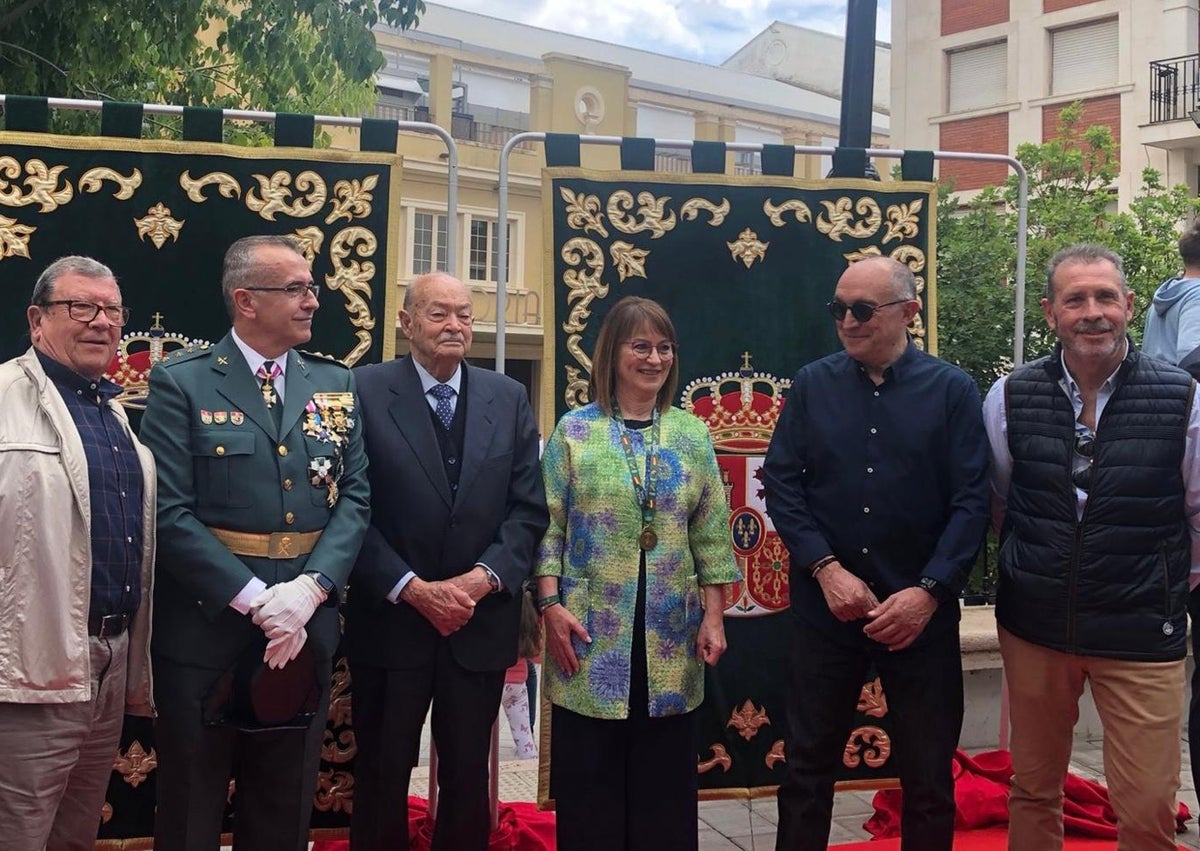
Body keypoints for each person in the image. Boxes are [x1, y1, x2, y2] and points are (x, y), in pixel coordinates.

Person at [139, 235, 370, 851]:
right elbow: (168, 511)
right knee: (191, 806)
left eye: (312, 288)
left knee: (284, 806)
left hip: (305, 626)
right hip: (207, 627)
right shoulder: (181, 384)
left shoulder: (334, 380)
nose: (312, 301)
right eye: (295, 289)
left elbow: (355, 498)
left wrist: (311, 590)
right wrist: (255, 599)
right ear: (246, 300)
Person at [762, 256, 990, 851]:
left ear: (908, 312)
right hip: (826, 612)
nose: (848, 321)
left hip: (920, 616)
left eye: (862, 309)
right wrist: (826, 569)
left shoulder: (953, 391)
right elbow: (782, 484)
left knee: (928, 776)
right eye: (839, 308)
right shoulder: (812, 384)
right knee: (806, 770)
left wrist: (929, 592)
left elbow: (973, 501)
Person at [984, 243, 1199, 851]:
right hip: (1036, 626)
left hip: (1139, 632)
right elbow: (1003, 500)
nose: (1092, 312)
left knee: (1150, 804)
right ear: (1050, 313)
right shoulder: (1009, 396)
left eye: (1105, 296)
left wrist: (1160, 585)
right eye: (1075, 299)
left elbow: (1198, 513)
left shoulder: (1183, 398)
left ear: (1129, 305)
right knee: (1032, 790)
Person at [346, 271, 548, 851]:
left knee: (467, 778)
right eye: (439, 313)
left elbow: (527, 511)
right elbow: (347, 509)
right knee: (382, 773)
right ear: (406, 323)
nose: (455, 324)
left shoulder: (506, 397)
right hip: (391, 621)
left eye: (464, 313)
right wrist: (412, 588)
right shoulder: (361, 390)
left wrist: (481, 580)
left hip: (477, 622)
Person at [535, 295, 740, 851]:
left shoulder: (692, 434)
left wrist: (715, 617)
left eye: (664, 347)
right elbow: (547, 528)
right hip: (587, 636)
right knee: (591, 793)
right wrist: (550, 609)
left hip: (672, 639)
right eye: (641, 346)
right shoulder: (575, 432)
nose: (654, 358)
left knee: (664, 799)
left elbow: (711, 536)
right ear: (612, 352)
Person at [0, 256, 155, 851]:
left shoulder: (110, 411)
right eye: (80, 307)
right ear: (37, 319)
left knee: (76, 832)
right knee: (18, 831)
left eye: (112, 310)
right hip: (27, 668)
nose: (100, 322)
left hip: (109, 660)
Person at [1143, 220, 1200, 378]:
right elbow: (1193, 362)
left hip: (1157, 390)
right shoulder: (1197, 296)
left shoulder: (1168, 293)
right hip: (1183, 397)